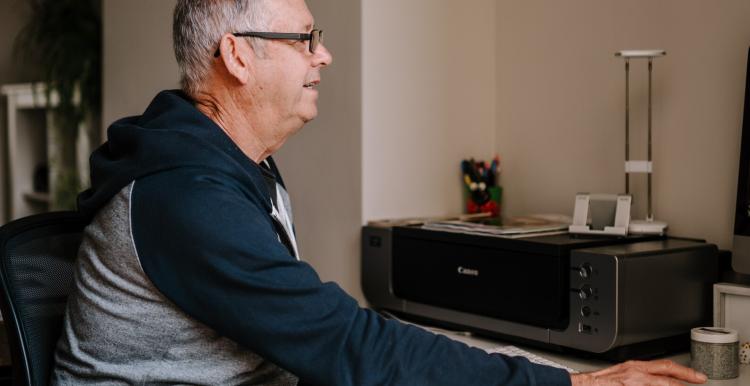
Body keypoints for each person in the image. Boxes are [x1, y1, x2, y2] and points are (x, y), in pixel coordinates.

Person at [51, 1, 708, 385]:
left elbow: (334, 336)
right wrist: (562, 382)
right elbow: (344, 343)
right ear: (238, 57)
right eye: (306, 39)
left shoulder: (233, 164)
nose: (324, 56)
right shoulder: (186, 195)